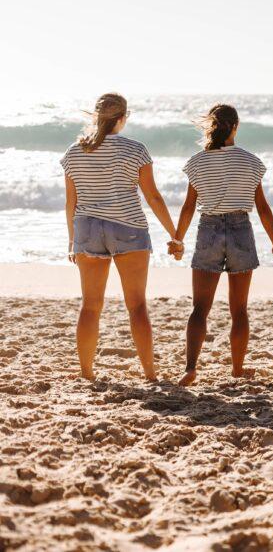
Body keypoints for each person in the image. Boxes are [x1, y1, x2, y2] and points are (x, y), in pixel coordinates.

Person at [61, 93, 179, 380]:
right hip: (128, 228)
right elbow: (152, 196)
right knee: (137, 305)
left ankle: (87, 372)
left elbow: (71, 203)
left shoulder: (74, 152)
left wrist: (72, 239)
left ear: (96, 116)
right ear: (123, 118)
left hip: (87, 229)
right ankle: (150, 374)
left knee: (90, 305)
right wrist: (174, 234)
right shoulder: (135, 149)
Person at [171, 104, 273, 386]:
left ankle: (190, 368)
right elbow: (262, 208)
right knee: (239, 310)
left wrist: (178, 240)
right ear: (235, 127)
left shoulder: (198, 162)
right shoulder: (251, 162)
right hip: (240, 230)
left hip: (208, 229)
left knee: (200, 308)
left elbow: (189, 207)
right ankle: (236, 370)